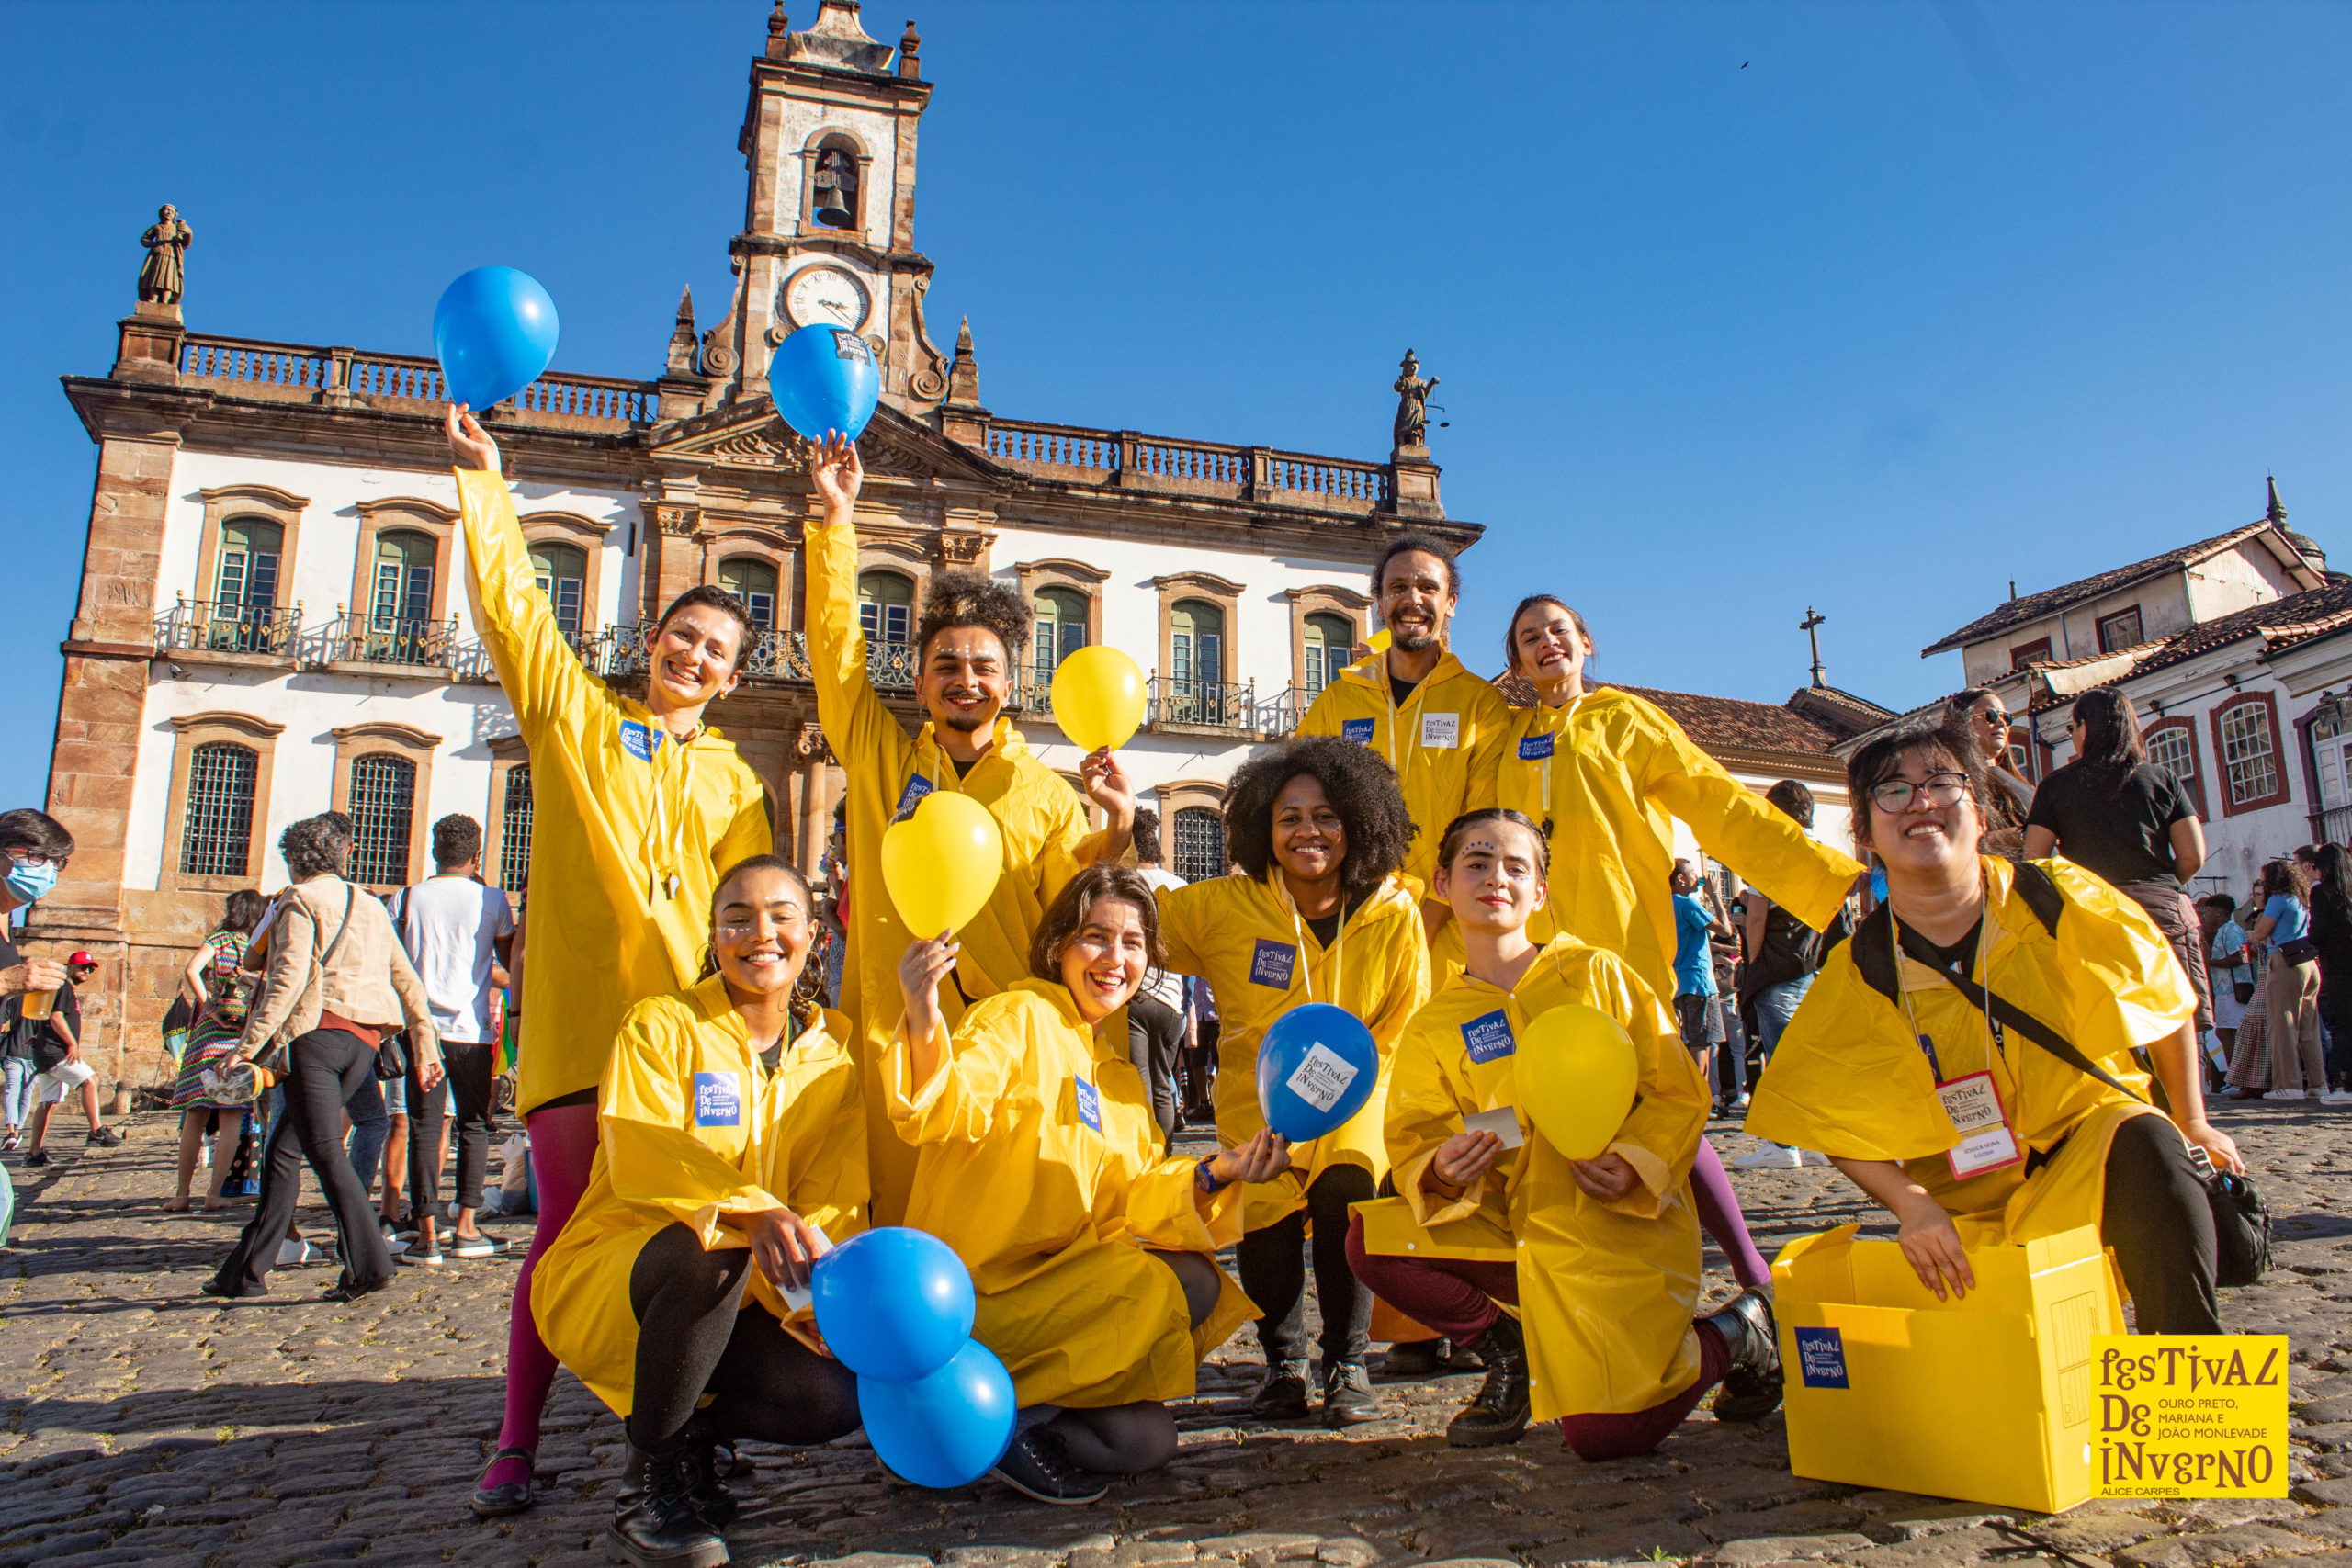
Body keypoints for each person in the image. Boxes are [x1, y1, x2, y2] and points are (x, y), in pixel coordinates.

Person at [448, 407, 775, 1517]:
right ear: (654, 643)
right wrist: (486, 489)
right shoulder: (573, 722)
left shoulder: (738, 781)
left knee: (704, 1236)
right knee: (560, 1232)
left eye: (717, 652)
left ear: (733, 678)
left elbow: (751, 920)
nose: (695, 656)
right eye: (684, 637)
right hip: (587, 1028)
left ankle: (688, 1426)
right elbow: (516, 617)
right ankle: (515, 1436)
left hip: (689, 1044)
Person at [1746, 717, 2241, 1335]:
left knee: (2149, 1140)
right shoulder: (1864, 970)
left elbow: (2164, 999)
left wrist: (2192, 1119)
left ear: (1978, 812)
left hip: (2089, 1156)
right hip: (1966, 1210)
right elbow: (1823, 1110)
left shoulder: (2057, 900)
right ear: (1865, 834)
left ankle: (2187, 1389)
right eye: (1892, 790)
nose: (1921, 800)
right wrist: (1911, 1203)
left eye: (1941, 782)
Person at [1347, 809, 1781, 1454]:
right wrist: (1440, 1167)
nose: (1497, 877)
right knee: (1372, 1237)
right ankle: (1511, 1353)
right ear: (1442, 881)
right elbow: (1415, 1136)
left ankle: (1737, 1333)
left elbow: (1676, 1089)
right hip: (1515, 1231)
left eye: (1516, 866)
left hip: (1618, 1230)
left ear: (1540, 892)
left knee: (1603, 1436)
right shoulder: (1436, 1023)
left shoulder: (1595, 974)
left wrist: (1636, 1160)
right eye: (1477, 861)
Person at [803, 434, 1134, 1227]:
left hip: (1002, 1049)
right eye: (947, 664)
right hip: (893, 1029)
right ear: (919, 683)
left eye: (984, 666)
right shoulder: (882, 758)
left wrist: (1117, 828)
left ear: (1009, 685)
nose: (966, 678)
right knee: (894, 1215)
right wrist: (836, 522)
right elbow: (837, 657)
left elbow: (1075, 908)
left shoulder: (1045, 792)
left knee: (989, 1226)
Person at [1487, 596, 1848, 1301]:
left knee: (1662, 1107)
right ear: (1516, 661)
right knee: (1538, 1114)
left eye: (1558, 630)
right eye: (1530, 638)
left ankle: (1750, 1270)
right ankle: (1573, 1280)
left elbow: (1717, 799)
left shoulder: (1626, 721)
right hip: (1530, 956)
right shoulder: (1503, 737)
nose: (1546, 644)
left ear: (1586, 642)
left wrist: (1821, 876)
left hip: (1621, 946)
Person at [888, 864, 1283, 1503]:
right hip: (981, 1290)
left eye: (1132, 943)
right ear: (1059, 946)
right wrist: (923, 1013)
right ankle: (951, 1405)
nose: (1115, 957)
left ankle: (1001, 1423)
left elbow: (1140, 1198)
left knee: (1146, 1440)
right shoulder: (1017, 1014)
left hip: (1059, 1285)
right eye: (1097, 936)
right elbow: (945, 1103)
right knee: (1184, 1281)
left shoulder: (1118, 1073)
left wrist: (1219, 1170)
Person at [534, 856, 866, 1567]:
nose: (760, 934)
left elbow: (835, 1190)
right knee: (715, 1246)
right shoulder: (659, 1025)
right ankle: (645, 1488)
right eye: (737, 919)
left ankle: (692, 1440)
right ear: (714, 937)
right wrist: (750, 1210)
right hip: (627, 1272)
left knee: (836, 1394)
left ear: (815, 935)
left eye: (781, 916)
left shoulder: (833, 1050)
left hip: (744, 1298)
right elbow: (640, 1144)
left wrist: (821, 1301)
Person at [1153, 737, 1431, 1426]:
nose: (1309, 830)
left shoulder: (1394, 911)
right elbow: (1132, 930)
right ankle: (1283, 1364)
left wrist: (1355, 1093)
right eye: (1290, 816)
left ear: (1359, 821)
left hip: (1357, 1098)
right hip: (1262, 1102)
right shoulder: (1221, 905)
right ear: (1262, 829)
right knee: (1267, 1219)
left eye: (1328, 814)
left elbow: (1406, 1018)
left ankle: (1348, 1361)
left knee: (1348, 1195)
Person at [205, 814, 444, 1303]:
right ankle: (245, 1273)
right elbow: (407, 980)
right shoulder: (371, 905)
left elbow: (287, 979)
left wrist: (246, 1048)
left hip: (316, 1039)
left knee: (324, 1153)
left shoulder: (300, 899)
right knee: (283, 1154)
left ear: (293, 859)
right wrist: (425, 1045)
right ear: (343, 855)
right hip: (364, 1043)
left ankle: (369, 1264)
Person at [1297, 533, 1510, 924]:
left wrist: (1429, 919)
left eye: (1428, 587)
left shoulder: (1482, 706)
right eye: (1397, 588)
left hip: (1449, 927)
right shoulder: (1336, 702)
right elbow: (1299, 803)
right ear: (1379, 603)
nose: (1413, 599)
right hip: (1345, 919)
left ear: (1451, 604)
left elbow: (1485, 826)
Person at [2021, 689, 2211, 1043]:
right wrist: (2161, 886)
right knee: (2172, 1023)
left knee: (2109, 1025)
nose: (2072, 737)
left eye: (2072, 728)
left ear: (2085, 727)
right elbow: (2192, 856)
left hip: (2094, 914)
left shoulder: (2055, 786)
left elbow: (2034, 860)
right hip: (2162, 911)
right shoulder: (2162, 778)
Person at [390, 814, 518, 1263]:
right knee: (474, 1126)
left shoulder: (405, 899)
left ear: (433, 851)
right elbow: (506, 965)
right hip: (474, 1031)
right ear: (476, 854)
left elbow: (396, 966)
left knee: (424, 1128)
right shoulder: (492, 900)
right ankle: (466, 1226)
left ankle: (427, 1236)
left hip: (422, 1032)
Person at [165, 889, 268, 1208]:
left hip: (207, 1034)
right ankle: (214, 1195)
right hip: (237, 1037)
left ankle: (182, 1195)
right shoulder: (255, 948)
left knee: (195, 1114)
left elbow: (191, 970)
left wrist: (209, 1008)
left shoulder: (220, 939)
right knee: (231, 1118)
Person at [1125, 809, 1187, 1147]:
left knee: (1140, 1081)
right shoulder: (1179, 884)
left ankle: (1145, 1154)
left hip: (1137, 996)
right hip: (1173, 1000)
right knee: (1166, 1083)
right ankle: (1165, 1151)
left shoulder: (1125, 881)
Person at [20, 952, 118, 1166]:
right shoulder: (64, 986)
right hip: (57, 1052)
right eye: (83, 967)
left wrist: (40, 1036)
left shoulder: (63, 989)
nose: (87, 971)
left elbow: (47, 1016)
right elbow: (56, 1016)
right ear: (70, 966)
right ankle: (96, 1131)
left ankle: (34, 1154)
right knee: (90, 1081)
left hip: (48, 1050)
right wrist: (72, 1043)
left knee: (47, 1103)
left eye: (90, 968)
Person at [2246, 857, 2326, 1100]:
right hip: (2308, 963)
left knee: (2282, 1026)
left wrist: (2259, 910)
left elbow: (2261, 933)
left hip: (2284, 963)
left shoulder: (2278, 900)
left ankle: (2288, 1084)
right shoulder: (2301, 899)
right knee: (2308, 1028)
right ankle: (2318, 1083)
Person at [1669, 859, 1732, 1089]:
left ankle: (1694, 1093)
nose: (1697, 876)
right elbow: (1725, 929)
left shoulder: (1666, 904)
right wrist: (1715, 895)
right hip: (1699, 981)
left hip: (1678, 981)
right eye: (1693, 872)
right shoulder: (1687, 904)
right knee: (1701, 1041)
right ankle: (1701, 1096)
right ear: (1680, 879)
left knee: (1688, 1039)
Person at [2301, 843, 2352, 1100]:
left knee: (2343, 1027)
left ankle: (2347, 1085)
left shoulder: (2322, 893)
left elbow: (2318, 932)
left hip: (2339, 967)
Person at [1949, 688, 2035, 819]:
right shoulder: (1953, 785)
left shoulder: (2019, 785)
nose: (2001, 723)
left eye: (2006, 717)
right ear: (1962, 724)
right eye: (1991, 716)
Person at [2199, 893, 2252, 1086]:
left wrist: (2212, 962)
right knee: (2225, 1033)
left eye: (2208, 910)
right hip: (2224, 990)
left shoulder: (2232, 930)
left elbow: (2241, 957)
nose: (2205, 915)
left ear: (2219, 912)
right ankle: (2235, 1079)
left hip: (2234, 990)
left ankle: (2237, 1079)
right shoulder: (2222, 931)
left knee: (2228, 1033)